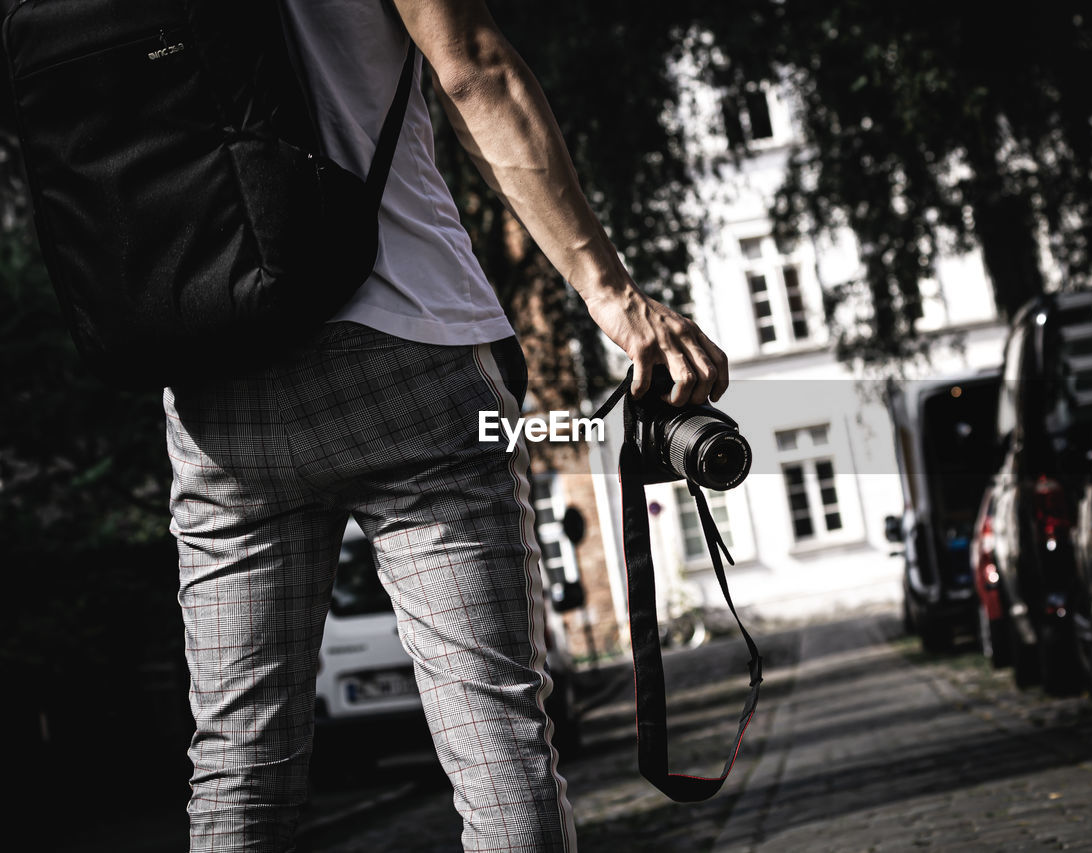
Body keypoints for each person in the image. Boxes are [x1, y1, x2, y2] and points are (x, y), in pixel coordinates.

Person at [163, 0, 729, 850]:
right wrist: (611, 293)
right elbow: (472, 67)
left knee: (239, 772)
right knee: (496, 741)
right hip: (410, 338)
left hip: (216, 375)